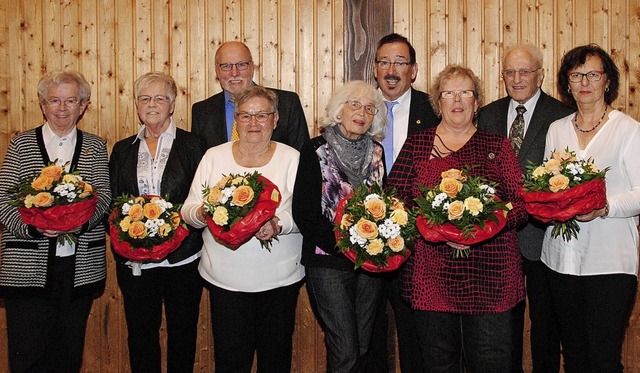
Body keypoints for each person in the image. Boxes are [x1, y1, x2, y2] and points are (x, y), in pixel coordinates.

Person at [388, 65, 528, 372]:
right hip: (432, 275)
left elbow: (520, 204)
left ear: (476, 102)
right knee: (438, 362)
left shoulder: (497, 146)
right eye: (449, 92)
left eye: (466, 92)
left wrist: (488, 221)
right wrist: (430, 222)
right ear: (438, 103)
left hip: (491, 277)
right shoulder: (417, 145)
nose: (457, 99)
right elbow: (395, 200)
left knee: (492, 362)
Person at [182, 85, 304, 373]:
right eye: (245, 116)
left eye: (262, 115)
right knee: (230, 361)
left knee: (275, 361)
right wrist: (202, 213)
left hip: (279, 280)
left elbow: (306, 214)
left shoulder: (293, 158)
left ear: (276, 120)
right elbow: (188, 209)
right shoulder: (214, 156)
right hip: (225, 280)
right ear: (235, 120)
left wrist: (279, 223)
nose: (253, 123)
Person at [0, 70, 111, 372]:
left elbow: (103, 198)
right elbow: (4, 200)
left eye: (70, 101)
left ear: (83, 105)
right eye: (55, 101)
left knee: (67, 355)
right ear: (43, 105)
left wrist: (80, 223)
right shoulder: (21, 144)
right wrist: (34, 228)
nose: (62, 109)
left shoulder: (95, 146)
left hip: (78, 268)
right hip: (27, 270)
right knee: (27, 356)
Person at [541, 44, 640, 373]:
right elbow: (545, 186)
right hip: (559, 261)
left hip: (609, 263)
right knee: (574, 355)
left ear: (607, 81)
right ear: (567, 83)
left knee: (603, 359)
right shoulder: (558, 130)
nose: (585, 82)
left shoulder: (628, 130)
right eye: (576, 74)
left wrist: (605, 207)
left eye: (593, 74)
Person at [477, 44, 573, 373]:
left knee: (546, 324)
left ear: (540, 75)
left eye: (525, 71)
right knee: (503, 327)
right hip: (498, 240)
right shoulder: (488, 115)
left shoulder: (561, 116)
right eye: (510, 72)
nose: (517, 79)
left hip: (543, 238)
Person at [109, 72, 206, 373]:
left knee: (182, 333)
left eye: (160, 98)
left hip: (183, 260)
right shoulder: (122, 149)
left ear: (173, 104)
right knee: (140, 335)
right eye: (145, 98)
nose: (152, 104)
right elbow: (113, 203)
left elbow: (201, 199)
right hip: (134, 263)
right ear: (137, 105)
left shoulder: (194, 145)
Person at [292, 80, 387, 373]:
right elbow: (304, 213)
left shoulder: (377, 152)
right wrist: (346, 246)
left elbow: (387, 205)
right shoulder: (315, 150)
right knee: (344, 348)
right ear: (339, 109)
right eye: (354, 105)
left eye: (370, 108)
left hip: (370, 264)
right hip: (328, 262)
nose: (362, 112)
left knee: (361, 346)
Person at [369, 33, 440, 373]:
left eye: (400, 62)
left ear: (413, 70)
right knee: (367, 334)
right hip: (364, 241)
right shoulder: (358, 109)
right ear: (375, 69)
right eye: (385, 62)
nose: (392, 70)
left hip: (419, 243)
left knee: (418, 336)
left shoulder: (435, 110)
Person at [191, 40, 309, 150]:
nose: (234, 73)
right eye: (226, 66)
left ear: (252, 67)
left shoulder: (287, 104)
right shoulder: (202, 112)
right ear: (217, 70)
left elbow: (302, 157)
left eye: (241, 65)